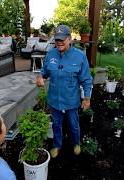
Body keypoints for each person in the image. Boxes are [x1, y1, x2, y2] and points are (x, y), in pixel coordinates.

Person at [36, 24, 92, 158]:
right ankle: (57, 145)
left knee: (73, 124)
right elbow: (45, 71)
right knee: (56, 124)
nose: (59, 42)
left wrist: (87, 98)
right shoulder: (51, 54)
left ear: (69, 39)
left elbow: (86, 79)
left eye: (62, 39)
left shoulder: (79, 56)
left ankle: (76, 143)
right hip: (54, 99)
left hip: (71, 100)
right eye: (57, 39)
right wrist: (39, 76)